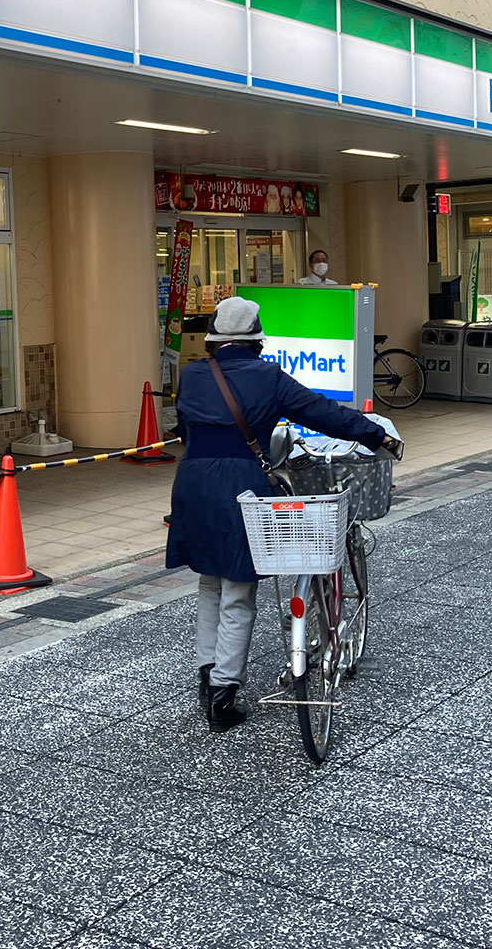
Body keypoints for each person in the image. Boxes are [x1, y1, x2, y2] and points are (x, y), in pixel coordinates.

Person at [165, 296, 399, 733]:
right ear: (256, 340)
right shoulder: (267, 376)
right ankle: (223, 693)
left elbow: (185, 425)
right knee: (238, 590)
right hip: (240, 486)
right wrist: (375, 434)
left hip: (192, 485)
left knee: (209, 584)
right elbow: (323, 413)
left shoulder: (194, 374)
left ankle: (207, 676)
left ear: (215, 341)